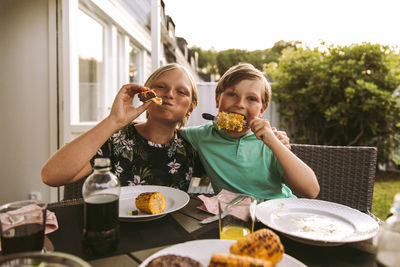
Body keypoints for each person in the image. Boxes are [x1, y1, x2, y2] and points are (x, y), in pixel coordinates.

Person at [41, 63, 201, 191]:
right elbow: (51, 176)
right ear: (145, 94)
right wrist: (113, 121)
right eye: (160, 87)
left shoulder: (193, 147)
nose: (169, 94)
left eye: (181, 92)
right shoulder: (117, 139)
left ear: (190, 109)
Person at [180, 63, 320, 199]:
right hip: (234, 217)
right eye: (232, 94)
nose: (240, 104)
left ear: (262, 110)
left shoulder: (270, 142)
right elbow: (170, 131)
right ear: (218, 100)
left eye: (251, 99)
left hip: (278, 213)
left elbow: (311, 191)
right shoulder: (202, 135)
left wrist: (274, 143)